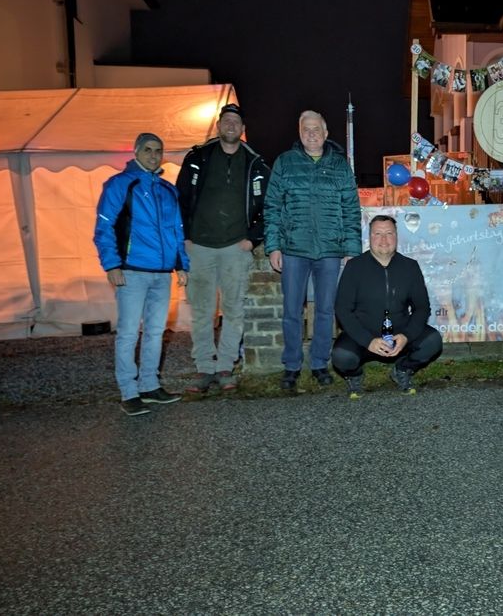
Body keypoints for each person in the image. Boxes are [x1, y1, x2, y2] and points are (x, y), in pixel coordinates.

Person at [175, 103, 270, 393]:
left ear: (242, 130)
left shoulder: (255, 163)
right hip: (199, 246)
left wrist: (252, 239)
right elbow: (179, 198)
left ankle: (225, 365)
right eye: (226, 121)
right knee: (202, 311)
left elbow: (268, 206)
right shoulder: (198, 157)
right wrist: (186, 236)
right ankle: (204, 367)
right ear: (218, 126)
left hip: (234, 247)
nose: (231, 126)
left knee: (234, 310)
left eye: (236, 122)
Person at [264, 110, 362, 391]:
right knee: (292, 310)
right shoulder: (285, 163)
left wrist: (352, 248)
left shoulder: (339, 165)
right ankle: (292, 365)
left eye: (316, 128)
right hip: (294, 249)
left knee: (325, 310)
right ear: (299, 133)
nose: (311, 133)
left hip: (330, 250)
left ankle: (320, 362)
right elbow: (272, 207)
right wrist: (273, 246)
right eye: (306, 129)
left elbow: (351, 209)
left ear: (326, 133)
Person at [94, 133, 189, 416]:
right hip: (132, 271)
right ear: (136, 151)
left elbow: (176, 231)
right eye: (147, 150)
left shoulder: (167, 190)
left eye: (158, 151)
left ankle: (149, 385)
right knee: (127, 333)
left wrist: (182, 264)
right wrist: (111, 265)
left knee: (156, 331)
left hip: (161, 274)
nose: (153, 155)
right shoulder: (120, 185)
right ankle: (129, 391)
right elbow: (104, 227)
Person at [332, 215, 443, 396]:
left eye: (389, 233)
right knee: (341, 357)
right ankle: (355, 375)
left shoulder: (410, 267)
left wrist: (406, 336)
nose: (384, 240)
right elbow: (342, 309)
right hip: (364, 334)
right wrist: (367, 341)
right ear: (370, 238)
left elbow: (422, 308)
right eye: (378, 234)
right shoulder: (354, 267)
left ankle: (403, 369)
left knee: (433, 341)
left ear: (397, 236)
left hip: (400, 333)